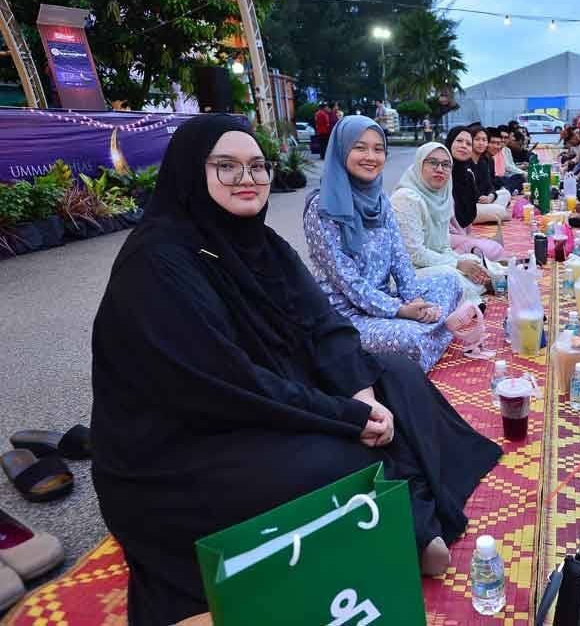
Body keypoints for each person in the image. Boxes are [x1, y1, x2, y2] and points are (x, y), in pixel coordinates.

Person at [90, 114, 502, 625]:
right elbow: (230, 385)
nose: (249, 179)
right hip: (190, 441)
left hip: (272, 389)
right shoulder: (157, 265)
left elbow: (323, 324)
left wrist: (363, 395)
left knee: (396, 376)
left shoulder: (261, 244)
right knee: (338, 457)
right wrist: (343, 415)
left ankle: (405, 515)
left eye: (257, 166)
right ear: (190, 172)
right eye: (227, 166)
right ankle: (412, 522)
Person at [304, 116, 463, 372]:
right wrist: (400, 310)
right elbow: (347, 281)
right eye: (359, 147)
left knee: (450, 281)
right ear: (341, 150)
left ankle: (429, 333)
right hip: (346, 315)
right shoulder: (322, 208)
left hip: (386, 297)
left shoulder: (380, 200)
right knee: (408, 339)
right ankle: (436, 333)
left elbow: (400, 257)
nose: (371, 156)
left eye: (378, 149)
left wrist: (415, 301)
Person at [391, 142, 491, 306]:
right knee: (450, 275)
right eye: (432, 162)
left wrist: (465, 264)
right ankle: (470, 299)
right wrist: (457, 264)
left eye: (446, 165)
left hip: (432, 265)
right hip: (406, 274)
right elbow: (413, 254)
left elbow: (444, 247)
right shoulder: (406, 198)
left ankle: (467, 296)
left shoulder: (443, 196)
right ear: (419, 164)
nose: (440, 169)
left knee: (472, 261)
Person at [445, 126, 505, 261]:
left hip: (461, 231)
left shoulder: (471, 170)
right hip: (442, 238)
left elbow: (489, 186)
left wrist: (492, 196)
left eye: (468, 143)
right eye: (459, 141)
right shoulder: (443, 170)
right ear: (450, 142)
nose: (464, 146)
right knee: (494, 249)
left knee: (493, 247)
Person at [468, 125, 510, 224]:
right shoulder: (465, 161)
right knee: (501, 212)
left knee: (505, 193)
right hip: (471, 205)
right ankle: (492, 214)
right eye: (477, 139)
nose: (481, 143)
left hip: (485, 201)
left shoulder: (484, 161)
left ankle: (490, 214)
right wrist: (484, 198)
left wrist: (491, 196)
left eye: (484, 140)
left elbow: (489, 185)